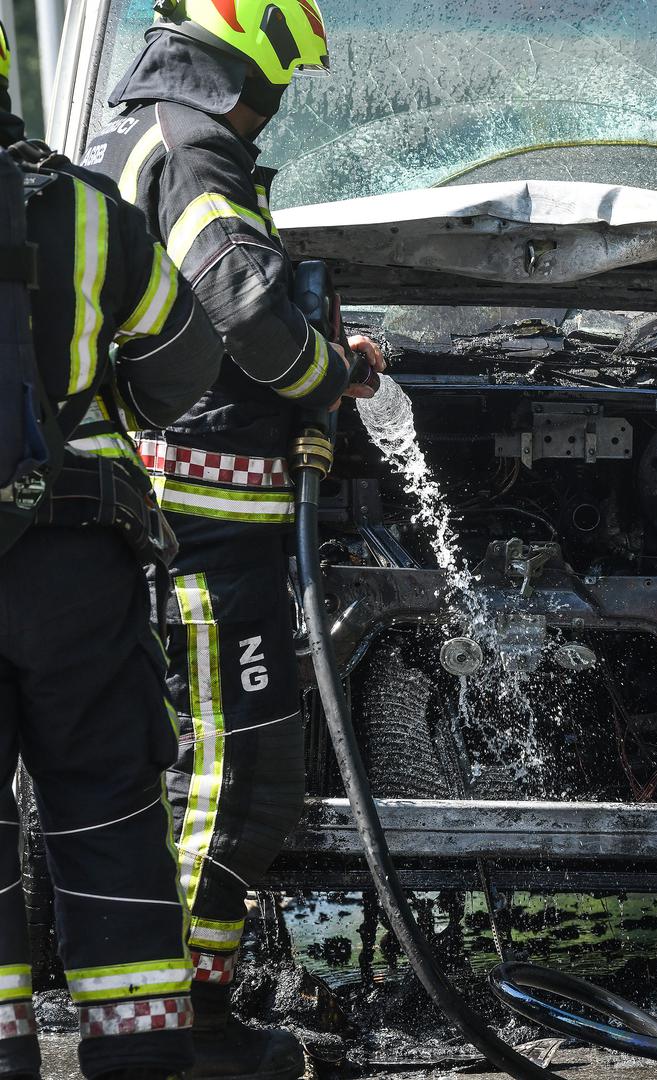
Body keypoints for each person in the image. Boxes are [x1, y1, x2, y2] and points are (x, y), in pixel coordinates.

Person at [85, 3, 384, 1076]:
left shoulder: (149, 132)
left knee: (214, 771)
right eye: (278, 82)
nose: (276, 107)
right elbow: (240, 302)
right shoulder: (195, 144)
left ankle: (185, 1014)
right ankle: (186, 1031)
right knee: (240, 773)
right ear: (242, 48)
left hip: (190, 513)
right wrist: (327, 376)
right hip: (204, 519)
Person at [0, 16, 223, 1078]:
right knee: (109, 802)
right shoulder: (85, 213)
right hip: (72, 565)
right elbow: (185, 358)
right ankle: (138, 1055)